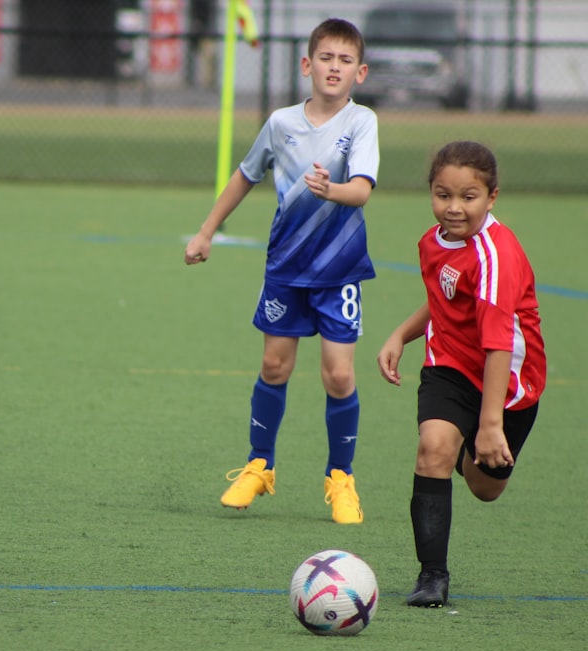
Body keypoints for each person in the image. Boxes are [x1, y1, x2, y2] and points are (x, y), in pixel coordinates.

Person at [184, 18, 378, 524]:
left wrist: (329, 190)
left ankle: (341, 479)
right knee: (274, 367)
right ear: (306, 65)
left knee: (338, 374)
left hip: (339, 270)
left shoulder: (361, 122)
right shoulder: (281, 123)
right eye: (326, 58)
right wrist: (207, 230)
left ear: (360, 72)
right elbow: (246, 176)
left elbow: (360, 189)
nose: (334, 68)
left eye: (345, 60)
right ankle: (259, 466)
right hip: (286, 268)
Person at [377, 141, 545, 607]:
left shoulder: (495, 256)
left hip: (508, 384)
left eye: (468, 197)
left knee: (484, 487)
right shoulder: (432, 241)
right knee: (432, 449)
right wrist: (400, 335)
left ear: (491, 198)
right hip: (449, 365)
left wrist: (490, 425)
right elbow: (443, 301)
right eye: (442, 194)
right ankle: (432, 577)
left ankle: (469, 440)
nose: (453, 208)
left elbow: (497, 345)